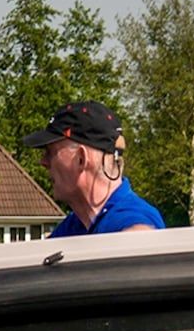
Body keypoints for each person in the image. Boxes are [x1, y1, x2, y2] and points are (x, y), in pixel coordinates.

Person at [19, 101, 165, 237]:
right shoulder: (75, 226)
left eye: (50, 152)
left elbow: (140, 240)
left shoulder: (132, 223)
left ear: (81, 159)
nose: (43, 162)